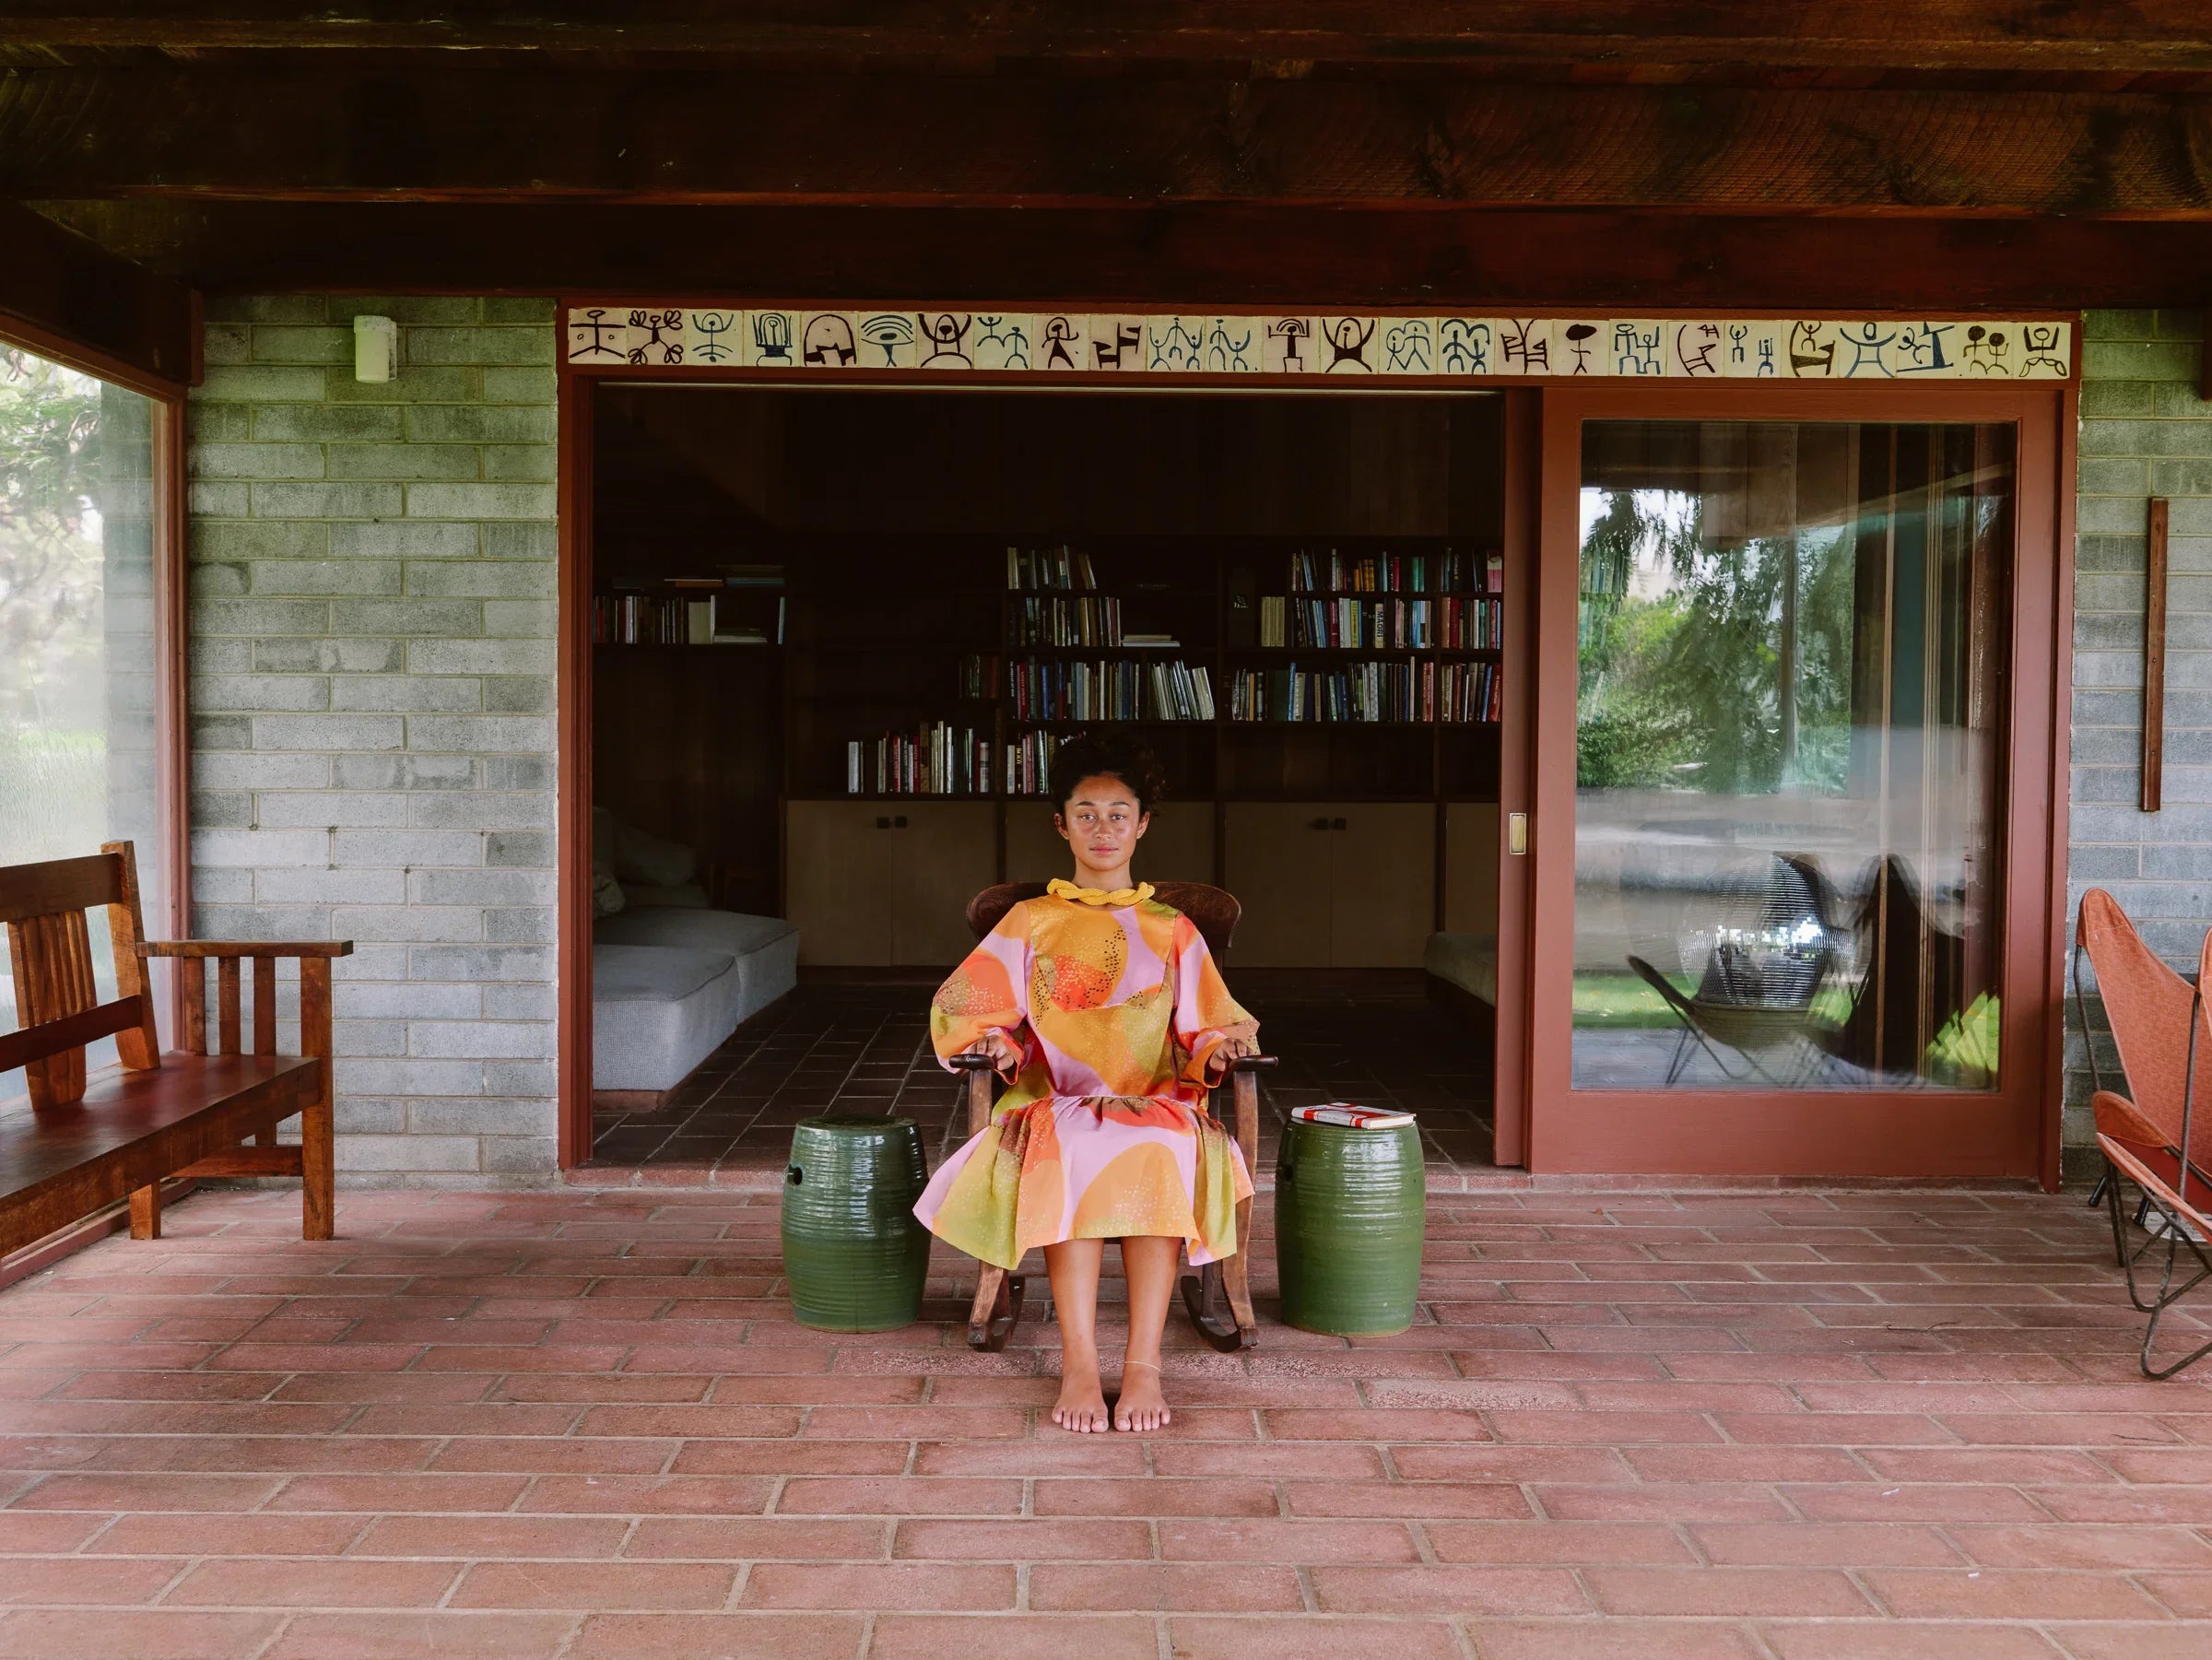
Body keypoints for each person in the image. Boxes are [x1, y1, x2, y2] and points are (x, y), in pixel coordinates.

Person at [912, 734, 1259, 1432]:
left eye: (1119, 813)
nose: (1104, 828)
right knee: (1067, 1149)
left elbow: (1213, 1022)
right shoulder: (1031, 919)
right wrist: (992, 1039)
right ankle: (1077, 1363)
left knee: (1160, 1151)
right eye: (1088, 812)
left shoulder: (1171, 928)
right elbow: (965, 1005)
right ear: (1061, 823)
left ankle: (1142, 1367)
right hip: (1054, 1100)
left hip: (1156, 1104)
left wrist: (1219, 1049)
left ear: (1143, 824)